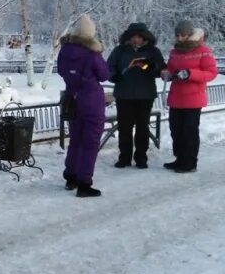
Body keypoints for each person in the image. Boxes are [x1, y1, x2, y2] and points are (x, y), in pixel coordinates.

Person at [58, 14, 109, 197]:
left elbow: (62, 71)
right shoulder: (92, 53)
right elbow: (104, 75)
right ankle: (84, 183)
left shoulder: (64, 50)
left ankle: (70, 176)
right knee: (90, 143)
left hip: (72, 98)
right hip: (92, 101)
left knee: (76, 140)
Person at [161, 21, 218, 173]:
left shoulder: (203, 50)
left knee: (189, 131)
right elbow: (171, 68)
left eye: (183, 35)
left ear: (190, 34)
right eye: (178, 35)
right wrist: (167, 73)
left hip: (193, 99)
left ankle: (190, 162)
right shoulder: (175, 51)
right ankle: (180, 159)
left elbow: (211, 73)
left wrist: (190, 74)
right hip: (176, 97)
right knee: (176, 130)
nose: (180, 38)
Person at [106, 22, 165, 169]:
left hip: (145, 95)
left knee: (142, 127)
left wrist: (150, 68)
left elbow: (161, 69)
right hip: (124, 95)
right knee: (125, 128)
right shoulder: (120, 51)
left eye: (139, 37)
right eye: (133, 37)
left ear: (145, 38)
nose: (136, 40)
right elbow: (109, 67)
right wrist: (114, 76)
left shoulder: (153, 51)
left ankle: (141, 158)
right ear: (128, 37)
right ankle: (124, 157)